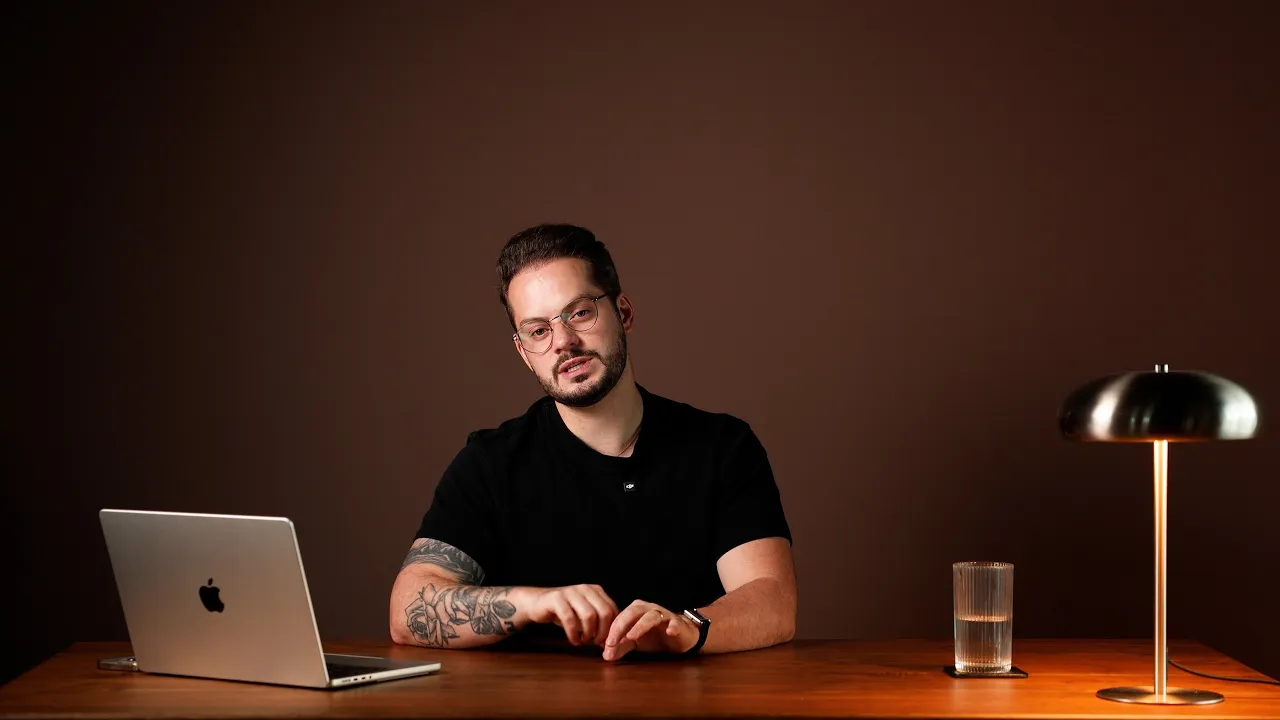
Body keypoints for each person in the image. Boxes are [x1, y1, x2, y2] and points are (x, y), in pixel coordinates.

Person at [389, 224, 795, 661]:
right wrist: (532, 603)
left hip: (693, 696)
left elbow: (773, 601)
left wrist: (686, 627)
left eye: (580, 313)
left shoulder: (722, 448)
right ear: (523, 352)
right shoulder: (489, 464)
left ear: (624, 313)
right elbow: (408, 610)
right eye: (538, 331)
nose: (563, 342)